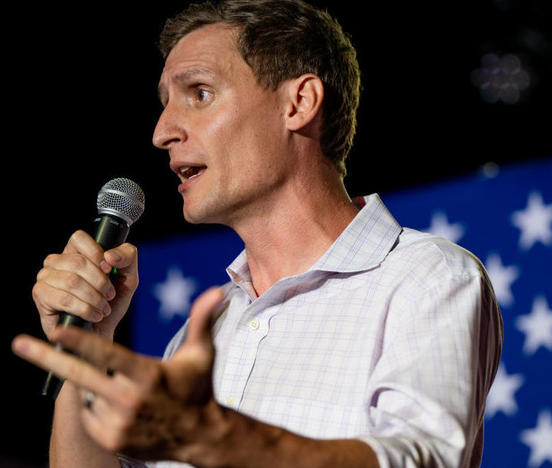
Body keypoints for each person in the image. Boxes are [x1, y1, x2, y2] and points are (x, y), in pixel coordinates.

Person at [12, 1, 503, 467]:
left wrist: (220, 438)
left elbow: (423, 460)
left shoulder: (427, 277)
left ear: (299, 103)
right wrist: (86, 345)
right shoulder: (206, 329)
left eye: (199, 93)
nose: (162, 132)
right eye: (165, 104)